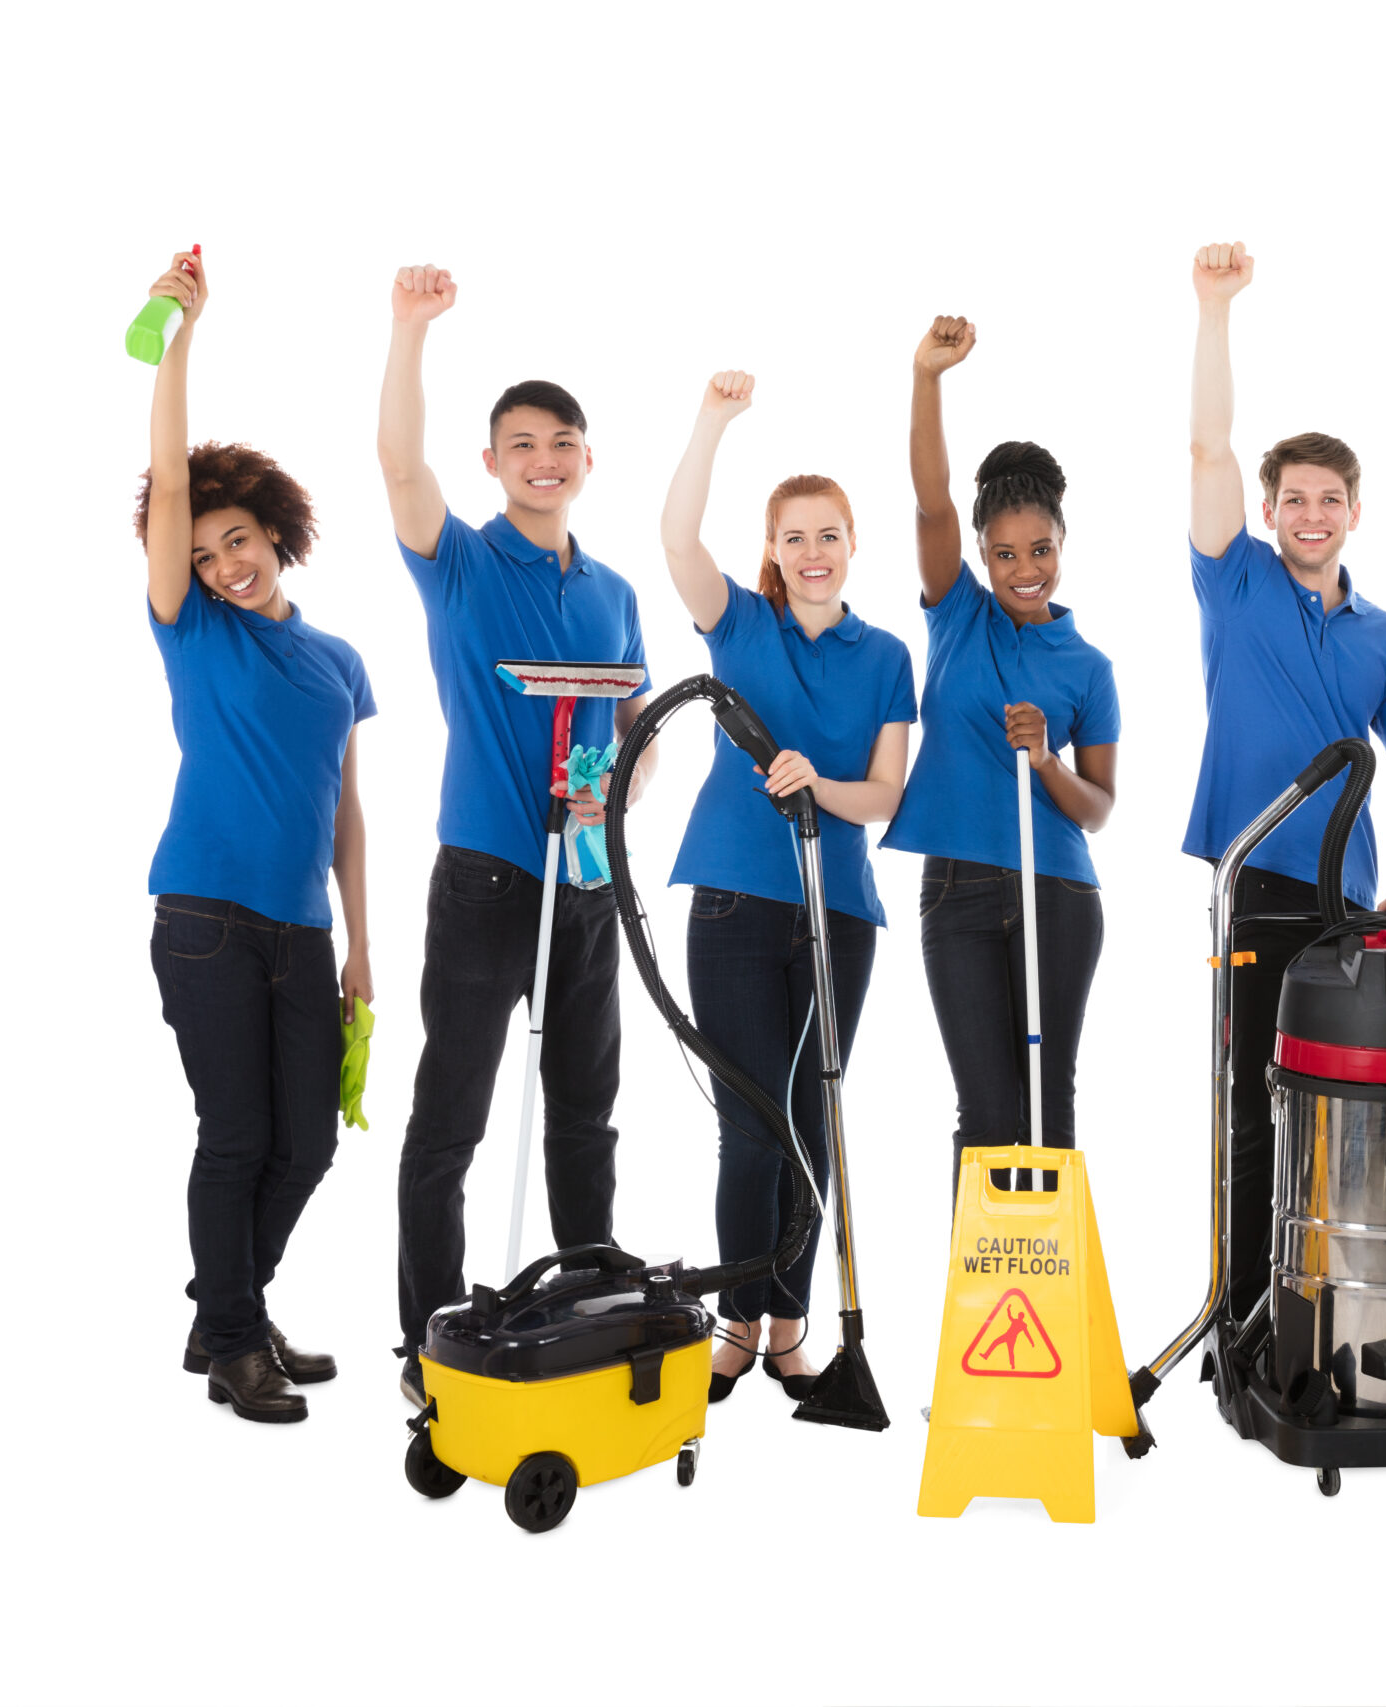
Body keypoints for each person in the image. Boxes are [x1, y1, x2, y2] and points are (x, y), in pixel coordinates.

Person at [378, 264, 656, 1404]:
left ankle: (588, 1308)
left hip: (584, 889)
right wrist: (409, 332)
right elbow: (400, 464)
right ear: (494, 463)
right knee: (452, 1117)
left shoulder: (616, 593)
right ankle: (427, 1341)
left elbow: (637, 729)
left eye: (564, 443)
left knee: (585, 1119)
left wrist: (616, 797)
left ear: (588, 461)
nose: (545, 459)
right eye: (523, 444)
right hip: (487, 880)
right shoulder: (462, 562)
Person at [1186, 243, 1386, 1324]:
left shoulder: (1382, 633)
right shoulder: (1233, 576)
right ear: (1270, 507)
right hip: (1253, 886)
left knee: (1336, 1113)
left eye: (1328, 499)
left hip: (1350, 904)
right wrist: (1214, 310)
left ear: (1351, 510)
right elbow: (1206, 442)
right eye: (1292, 498)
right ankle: (1240, 1319)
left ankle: (1320, 1303)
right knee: (1249, 1108)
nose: (1310, 513)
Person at [138, 251, 375, 1424]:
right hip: (203, 920)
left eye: (238, 541)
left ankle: (230, 1308)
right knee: (236, 1137)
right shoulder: (194, 633)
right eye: (202, 550)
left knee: (309, 1147)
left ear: (275, 533)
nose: (222, 564)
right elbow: (171, 487)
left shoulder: (337, 661)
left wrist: (361, 948)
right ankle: (233, 1341)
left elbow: (346, 808)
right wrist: (184, 330)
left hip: (301, 930)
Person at [658, 371, 915, 1400]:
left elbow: (886, 793)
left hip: (837, 912)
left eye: (829, 535)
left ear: (854, 546)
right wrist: (713, 422)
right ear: (773, 549)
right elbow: (678, 541)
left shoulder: (887, 655)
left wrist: (823, 782)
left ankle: (791, 1322)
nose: (812, 553)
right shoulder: (740, 628)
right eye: (794, 537)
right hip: (731, 898)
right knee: (746, 1118)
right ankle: (736, 1316)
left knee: (811, 1117)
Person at [888, 317, 1119, 1187]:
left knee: (1044, 1107)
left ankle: (1050, 1318)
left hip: (1057, 890)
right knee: (984, 1115)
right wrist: (927, 378)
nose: (1026, 568)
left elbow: (1099, 806)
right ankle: (983, 1322)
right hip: (956, 888)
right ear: (981, 556)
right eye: (1006, 553)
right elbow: (931, 500)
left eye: (1041, 550)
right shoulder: (956, 610)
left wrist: (1049, 760)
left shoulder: (1089, 666)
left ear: (1063, 544)